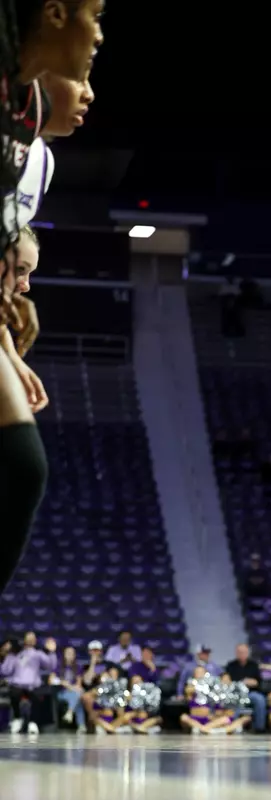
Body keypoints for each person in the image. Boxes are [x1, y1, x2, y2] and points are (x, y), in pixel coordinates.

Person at [0, 0, 103, 602]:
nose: (100, 35)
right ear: (55, 14)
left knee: (23, 467)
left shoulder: (29, 120)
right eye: (97, 13)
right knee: (20, 466)